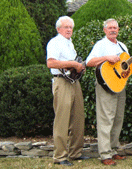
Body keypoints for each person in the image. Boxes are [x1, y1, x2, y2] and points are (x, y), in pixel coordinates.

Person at [46, 16, 89, 166]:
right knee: (62, 120)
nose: (69, 30)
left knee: (78, 118)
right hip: (61, 81)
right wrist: (72, 63)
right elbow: (50, 63)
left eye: (71, 27)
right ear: (59, 29)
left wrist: (79, 66)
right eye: (66, 27)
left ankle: (75, 153)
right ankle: (60, 157)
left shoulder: (69, 43)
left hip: (73, 81)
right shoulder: (55, 42)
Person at [85, 18, 128, 166]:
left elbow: (126, 68)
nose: (113, 30)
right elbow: (88, 62)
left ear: (118, 30)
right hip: (105, 86)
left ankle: (113, 150)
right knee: (106, 119)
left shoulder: (122, 46)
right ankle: (104, 154)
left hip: (120, 85)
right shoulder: (100, 45)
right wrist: (106, 58)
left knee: (118, 118)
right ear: (104, 30)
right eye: (110, 28)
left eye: (115, 28)